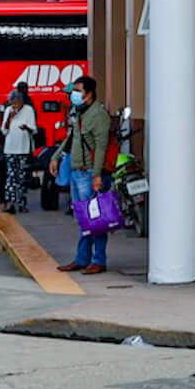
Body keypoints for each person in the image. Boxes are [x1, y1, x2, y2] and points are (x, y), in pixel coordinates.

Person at [56, 75, 113, 275]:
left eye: (78, 91)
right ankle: (82, 259)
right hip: (77, 172)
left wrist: (96, 175)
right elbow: (71, 139)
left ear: (89, 94)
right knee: (84, 219)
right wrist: (56, 157)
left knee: (96, 219)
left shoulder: (98, 115)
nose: (74, 95)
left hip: (89, 174)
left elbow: (101, 148)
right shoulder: (80, 113)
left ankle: (98, 260)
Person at [0, 86, 38, 214]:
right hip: (10, 148)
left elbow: (34, 130)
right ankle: (10, 203)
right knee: (11, 177)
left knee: (21, 177)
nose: (15, 105)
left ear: (22, 102)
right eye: (12, 102)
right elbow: (4, 130)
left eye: (17, 102)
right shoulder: (8, 110)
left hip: (23, 149)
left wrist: (26, 128)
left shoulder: (29, 110)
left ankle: (21, 203)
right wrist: (10, 117)